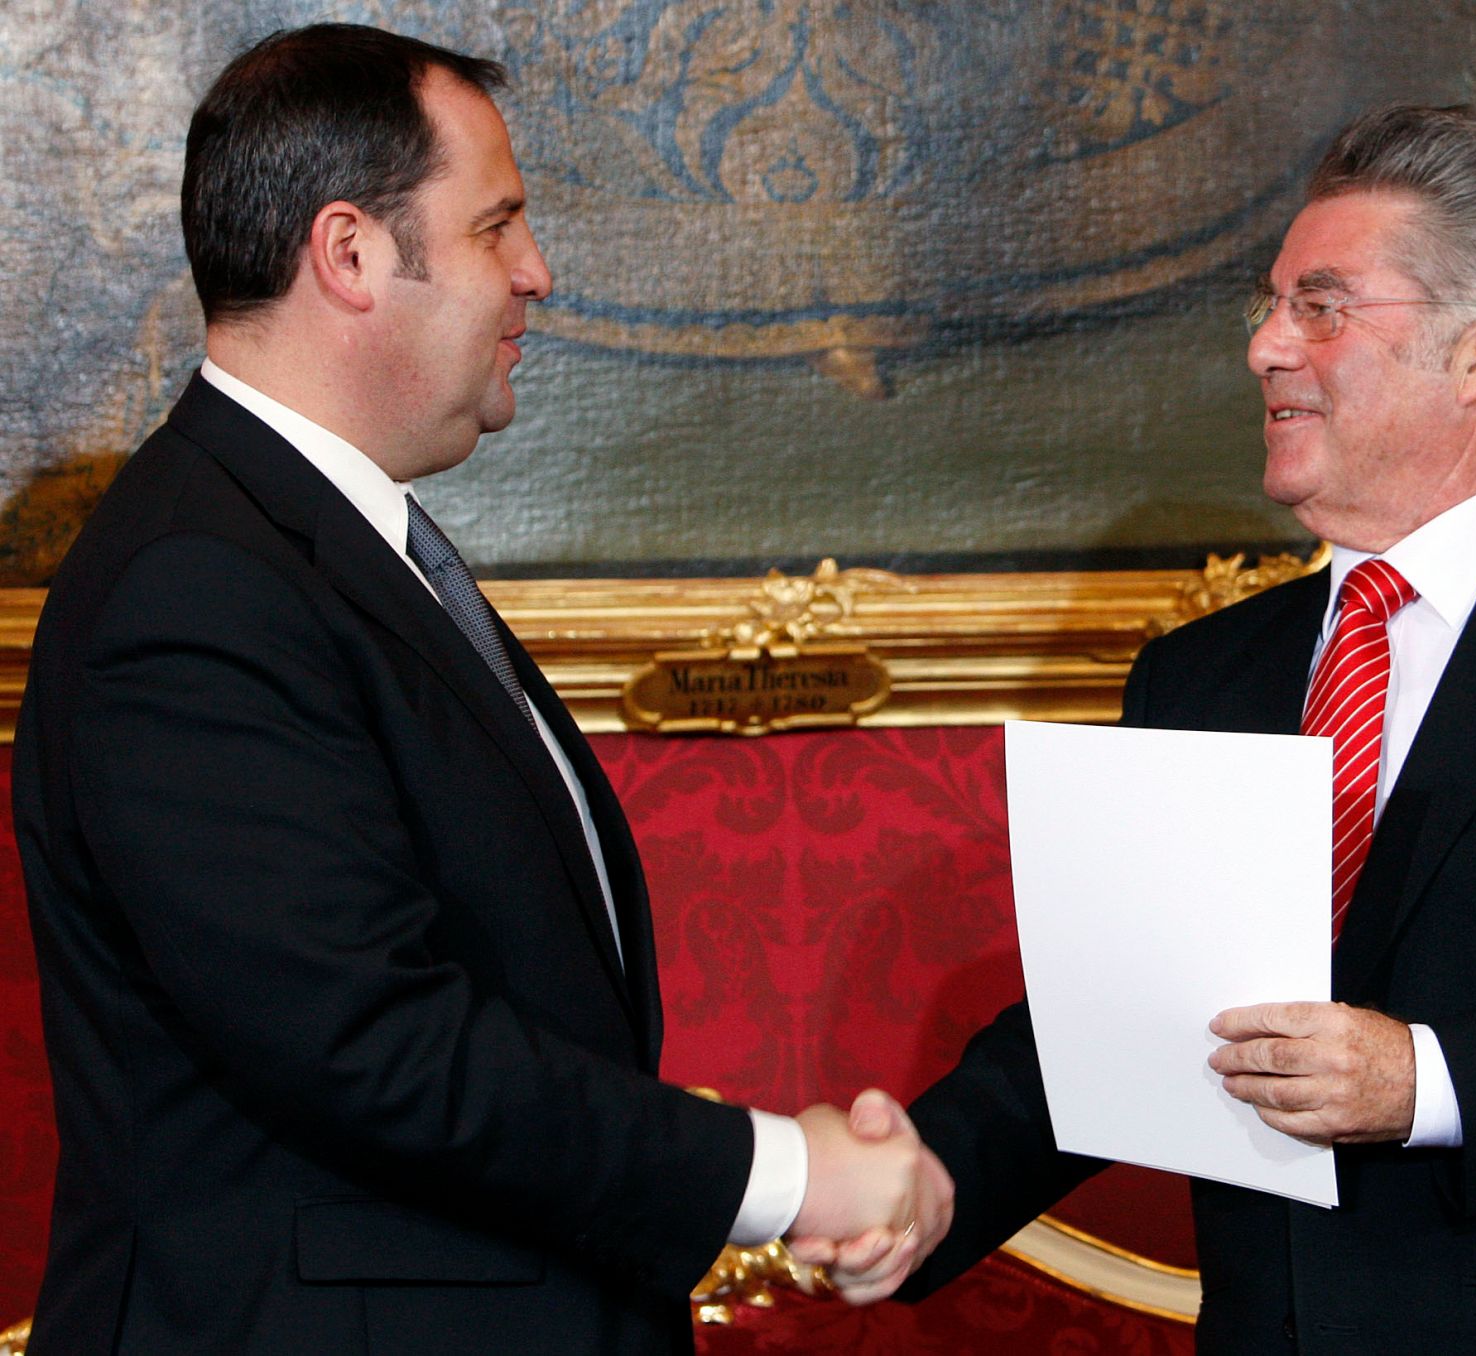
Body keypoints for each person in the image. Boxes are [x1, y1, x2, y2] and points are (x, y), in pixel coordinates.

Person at [12, 23, 948, 1355]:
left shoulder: (312, 544)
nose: (535, 272)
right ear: (349, 255)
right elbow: (368, 1043)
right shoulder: (196, 585)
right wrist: (788, 1176)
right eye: (496, 226)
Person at [804, 104, 1476, 1352]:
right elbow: (1121, 1012)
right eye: (1268, 307)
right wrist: (929, 1182)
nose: (1263, 347)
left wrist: (1424, 1081)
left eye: (1320, 307)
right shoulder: (1199, 675)